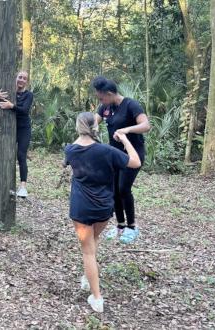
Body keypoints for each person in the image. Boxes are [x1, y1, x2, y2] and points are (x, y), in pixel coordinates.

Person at [64, 112, 141, 313]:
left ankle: (96, 298)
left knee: (87, 251)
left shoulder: (70, 150)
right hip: (103, 208)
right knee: (93, 242)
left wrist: (82, 134)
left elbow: (72, 149)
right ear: (95, 127)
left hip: (81, 208)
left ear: (78, 128)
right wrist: (124, 139)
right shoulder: (107, 151)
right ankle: (87, 277)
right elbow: (135, 162)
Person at [93, 76, 151, 244]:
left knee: (123, 188)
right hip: (114, 155)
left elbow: (146, 126)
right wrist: (94, 126)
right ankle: (120, 225)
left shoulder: (130, 105)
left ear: (110, 93)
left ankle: (132, 227)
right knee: (114, 190)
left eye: (102, 97)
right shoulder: (105, 106)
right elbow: (95, 119)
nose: (101, 100)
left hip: (132, 154)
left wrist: (126, 129)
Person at [0, 70, 34, 197]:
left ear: (27, 82)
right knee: (3, 154)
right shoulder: (8, 92)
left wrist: (11, 106)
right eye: (20, 77)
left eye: (24, 78)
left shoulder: (29, 95)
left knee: (21, 155)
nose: (22, 80)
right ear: (15, 78)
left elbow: (24, 111)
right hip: (8, 130)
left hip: (23, 129)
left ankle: (23, 187)